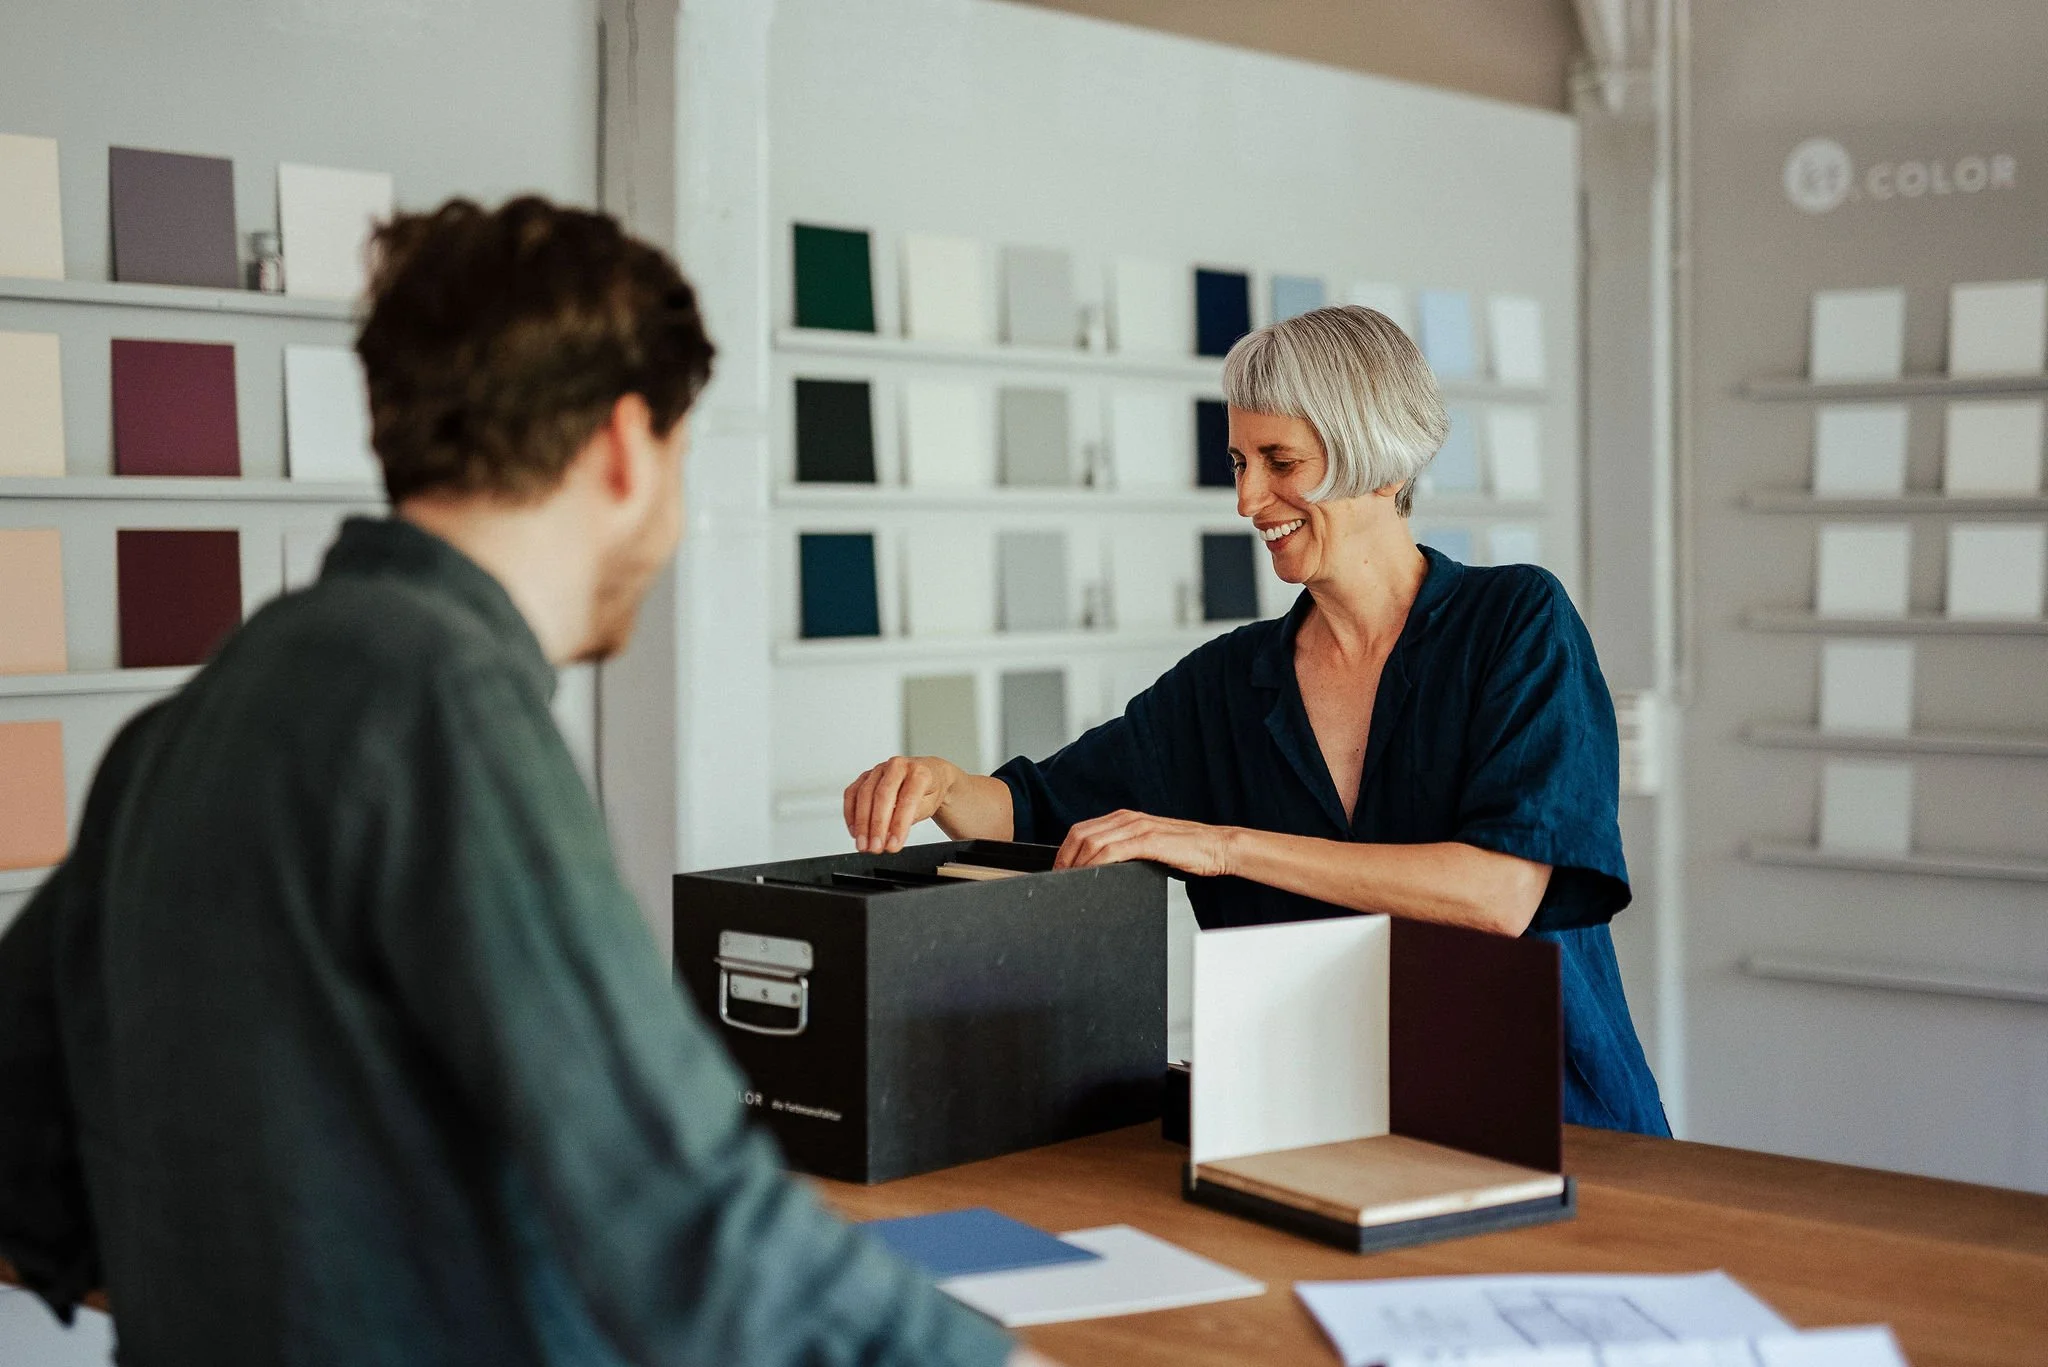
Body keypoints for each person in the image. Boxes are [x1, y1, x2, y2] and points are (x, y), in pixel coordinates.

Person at [0, 197, 1037, 1366]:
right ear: (626, 445)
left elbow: (25, 1142)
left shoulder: (195, 717)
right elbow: (677, 1209)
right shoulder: (438, 705)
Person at [844, 305, 1668, 1137]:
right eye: (1239, 461)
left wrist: (1224, 844)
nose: (1246, 499)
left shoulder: (1516, 622)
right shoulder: (1225, 685)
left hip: (1551, 1123)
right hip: (1321, 1127)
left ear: (1378, 464)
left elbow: (1496, 894)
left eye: (1281, 461)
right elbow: (1031, 809)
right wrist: (942, 784)